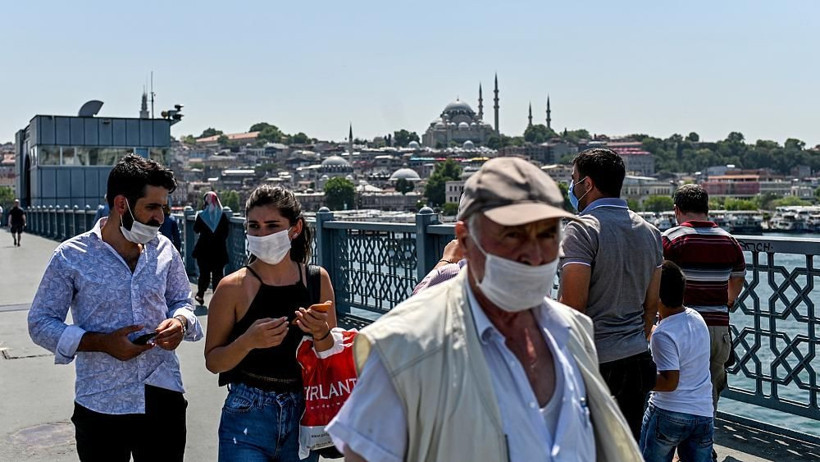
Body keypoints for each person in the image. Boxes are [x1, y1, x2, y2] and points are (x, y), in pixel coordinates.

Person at [327, 157, 642, 461]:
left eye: (547, 233)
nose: (534, 255)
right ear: (464, 239)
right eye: (512, 234)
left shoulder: (573, 330)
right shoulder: (405, 347)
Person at [27, 154, 203, 462]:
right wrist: (100, 343)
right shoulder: (71, 256)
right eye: (152, 207)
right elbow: (40, 322)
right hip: (100, 403)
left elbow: (182, 301)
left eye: (163, 207)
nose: (161, 218)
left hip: (163, 394)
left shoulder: (165, 250)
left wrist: (180, 322)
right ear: (121, 204)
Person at [204, 185, 337, 462]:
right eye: (254, 226)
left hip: (303, 410)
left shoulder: (316, 279)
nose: (262, 234)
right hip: (247, 412)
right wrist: (248, 342)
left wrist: (321, 332)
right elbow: (214, 361)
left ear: (295, 228)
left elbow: (332, 356)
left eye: (272, 225)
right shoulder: (232, 287)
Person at [558, 148, 663, 441]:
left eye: (574, 179)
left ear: (587, 184)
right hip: (636, 359)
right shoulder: (651, 232)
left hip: (595, 363)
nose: (572, 186)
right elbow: (651, 306)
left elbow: (573, 307)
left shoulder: (581, 229)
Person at [662, 184, 746, 416]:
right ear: (706, 209)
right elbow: (737, 281)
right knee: (710, 390)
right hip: (718, 328)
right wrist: (726, 303)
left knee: (678, 390)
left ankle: (682, 447)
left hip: (682, 326)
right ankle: (705, 444)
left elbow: (658, 280)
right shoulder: (730, 241)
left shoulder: (670, 240)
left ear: (677, 210)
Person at [640, 261, 714, 462]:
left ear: (657, 297)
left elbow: (670, 382)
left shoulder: (663, 335)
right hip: (703, 413)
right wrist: (651, 331)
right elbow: (676, 338)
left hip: (669, 414)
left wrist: (639, 379)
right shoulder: (696, 318)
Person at [193, 191, 230, 305]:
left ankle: (200, 294)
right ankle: (217, 297)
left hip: (203, 250)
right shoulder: (222, 215)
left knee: (204, 274)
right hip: (219, 251)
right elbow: (226, 232)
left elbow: (196, 229)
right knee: (218, 274)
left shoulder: (201, 215)